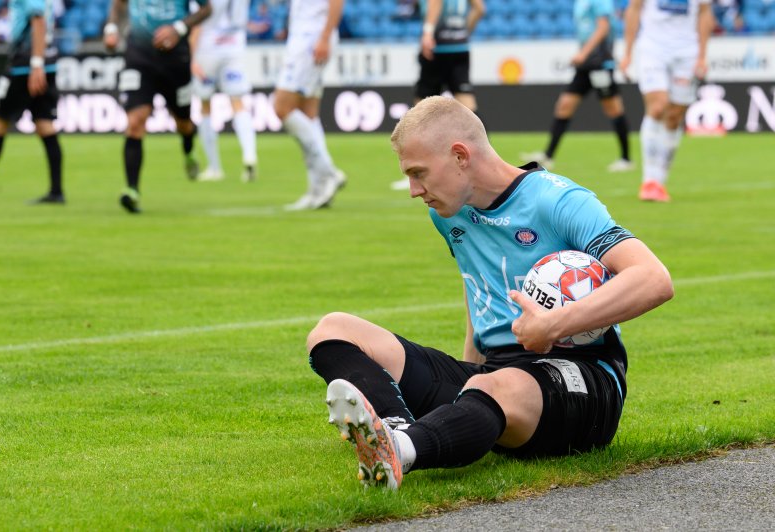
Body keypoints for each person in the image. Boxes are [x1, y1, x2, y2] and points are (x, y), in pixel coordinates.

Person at [306, 96, 674, 489]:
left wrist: (552, 325)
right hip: (497, 373)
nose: (414, 190)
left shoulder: (558, 200)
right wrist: (464, 387)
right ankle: (393, 428)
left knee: (490, 386)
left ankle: (403, 450)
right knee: (332, 330)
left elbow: (654, 278)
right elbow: (477, 288)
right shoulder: (448, 212)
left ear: (461, 156)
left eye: (419, 173)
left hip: (583, 379)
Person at [104, 0, 212, 214]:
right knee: (135, 121)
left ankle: (188, 147)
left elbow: (207, 9)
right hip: (139, 55)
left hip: (175, 58)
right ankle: (132, 189)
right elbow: (118, 3)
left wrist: (178, 28)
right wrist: (112, 29)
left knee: (183, 122)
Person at [520, 0, 633, 173]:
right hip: (585, 66)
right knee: (564, 106)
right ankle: (548, 156)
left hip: (600, 63)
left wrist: (583, 53)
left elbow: (604, 28)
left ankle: (626, 159)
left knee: (613, 108)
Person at [620, 0, 714, 202]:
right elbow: (634, 9)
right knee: (657, 107)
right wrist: (627, 52)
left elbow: (705, 13)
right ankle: (649, 181)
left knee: (674, 116)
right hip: (653, 49)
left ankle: (659, 181)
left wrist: (702, 56)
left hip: (687, 52)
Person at [0, 0, 65, 204]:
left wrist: (36, 64)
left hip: (25, 65)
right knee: (44, 124)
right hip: (45, 61)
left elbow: (38, 20)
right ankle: (56, 191)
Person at [390, 0, 485, 191]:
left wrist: (427, 32)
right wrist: (463, 33)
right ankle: (484, 165)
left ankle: (415, 172)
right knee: (468, 105)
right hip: (460, 48)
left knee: (420, 113)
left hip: (437, 48)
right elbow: (480, 9)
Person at [272, 0, 346, 211]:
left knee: (282, 107)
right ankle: (317, 189)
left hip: (312, 38)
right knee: (308, 114)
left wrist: (324, 37)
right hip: (303, 35)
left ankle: (329, 172)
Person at [190, 0, 258, 183]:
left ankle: (214, 167)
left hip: (207, 48)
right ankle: (250, 155)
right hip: (234, 46)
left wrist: (192, 57)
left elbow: (198, 21)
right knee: (238, 103)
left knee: (204, 106)